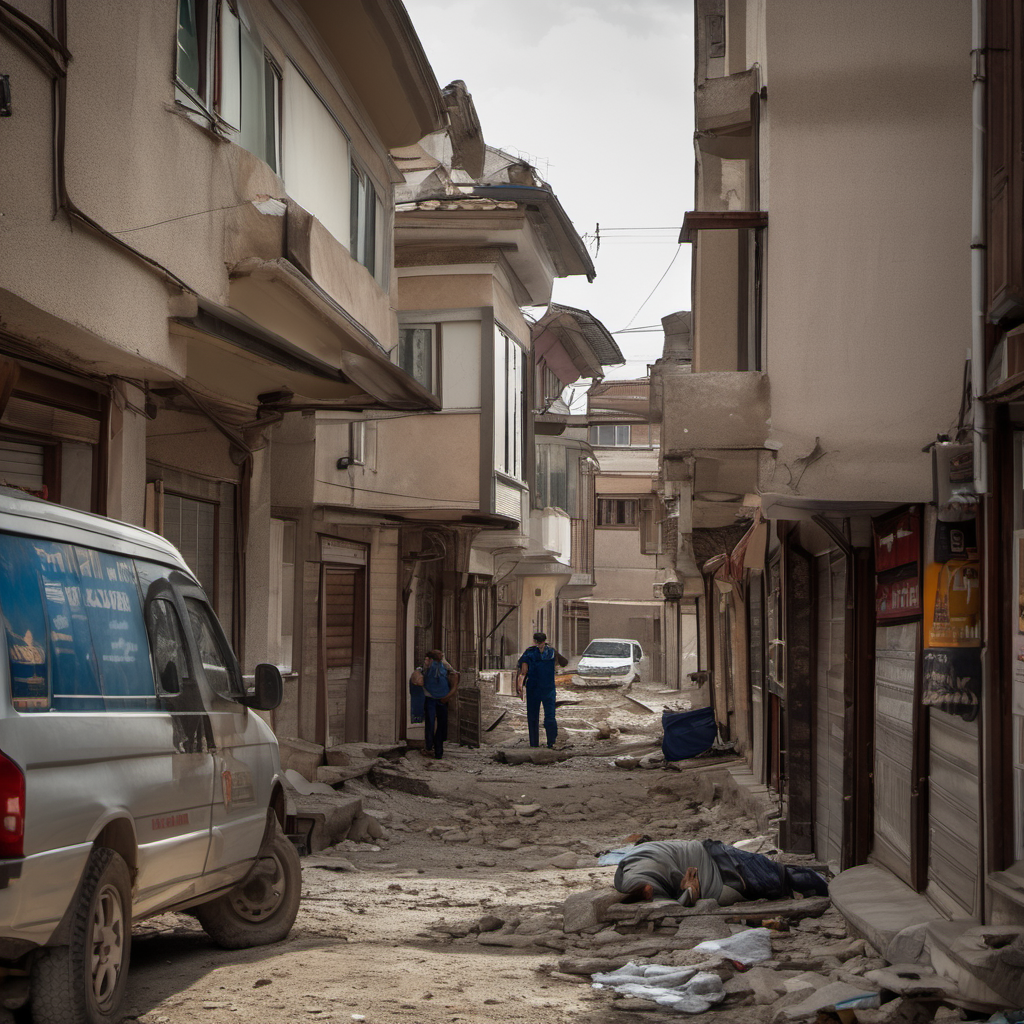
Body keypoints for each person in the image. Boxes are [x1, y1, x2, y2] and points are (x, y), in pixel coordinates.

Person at [613, 838, 829, 906]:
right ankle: (828, 889)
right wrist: (688, 892)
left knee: (777, 877)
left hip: (718, 863)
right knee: (781, 876)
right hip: (724, 873)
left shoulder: (634, 875)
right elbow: (674, 907)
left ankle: (821, 886)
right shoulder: (637, 865)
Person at [516, 631, 569, 749]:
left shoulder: (529, 653)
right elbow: (564, 663)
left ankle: (534, 744)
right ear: (544, 640)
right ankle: (551, 742)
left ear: (534, 641)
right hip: (547, 688)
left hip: (534, 689)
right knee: (549, 716)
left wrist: (519, 688)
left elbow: (523, 672)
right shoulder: (551, 652)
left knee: (533, 717)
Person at [410, 649, 459, 759]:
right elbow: (453, 673)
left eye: (428, 659)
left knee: (431, 724)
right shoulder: (442, 665)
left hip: (434, 699)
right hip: (441, 699)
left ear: (431, 659)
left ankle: (430, 748)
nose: (426, 660)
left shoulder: (435, 665)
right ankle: (438, 751)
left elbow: (421, 672)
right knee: (440, 725)